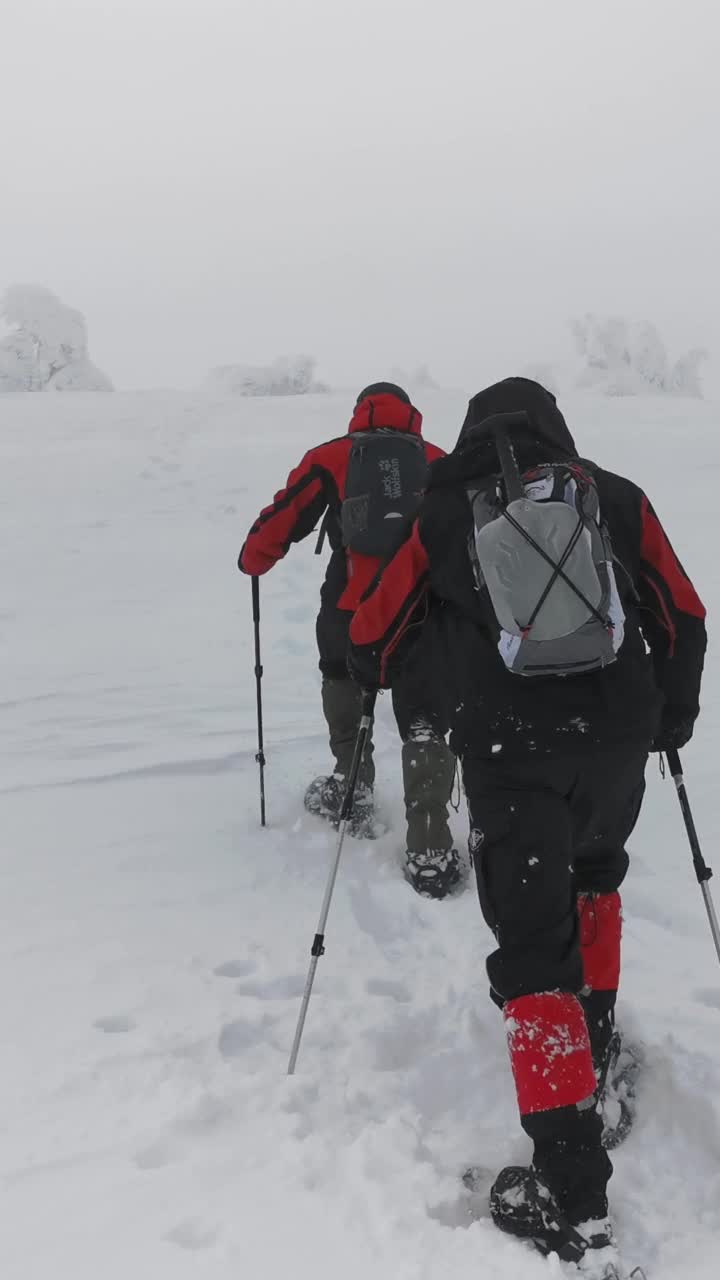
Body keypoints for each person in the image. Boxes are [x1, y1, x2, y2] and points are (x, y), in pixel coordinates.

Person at [348, 377, 706, 1262]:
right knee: (596, 878)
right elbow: (685, 614)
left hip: (510, 756)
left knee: (535, 957)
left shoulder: (442, 511)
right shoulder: (612, 495)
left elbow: (374, 635)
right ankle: (600, 1048)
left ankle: (572, 1192)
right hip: (616, 741)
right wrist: (671, 718)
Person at [238, 382, 460, 898]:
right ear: (411, 415)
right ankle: (429, 848)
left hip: (349, 606)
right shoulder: (438, 460)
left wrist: (254, 558)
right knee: (424, 716)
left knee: (342, 678)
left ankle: (352, 786)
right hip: (421, 611)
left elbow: (282, 519)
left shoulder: (333, 456)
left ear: (359, 412)